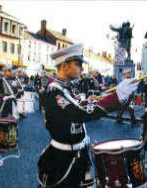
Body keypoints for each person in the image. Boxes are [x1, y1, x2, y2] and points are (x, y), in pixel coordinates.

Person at [37, 43, 138, 187]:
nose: (82, 69)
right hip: (62, 159)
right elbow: (79, 114)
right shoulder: (53, 92)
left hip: (78, 154)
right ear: (65, 66)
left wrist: (104, 96)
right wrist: (114, 98)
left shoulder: (67, 88)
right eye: (78, 64)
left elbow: (82, 104)